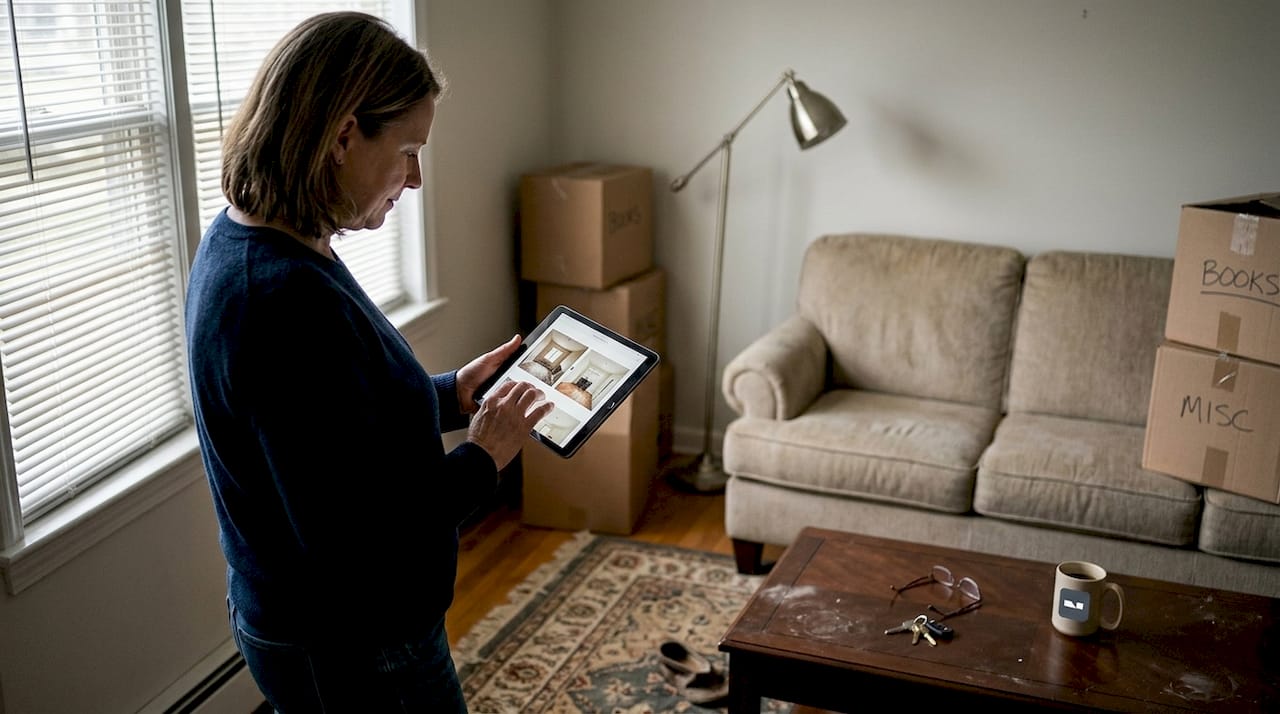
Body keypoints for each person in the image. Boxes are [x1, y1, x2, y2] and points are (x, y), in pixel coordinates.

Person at [184, 12, 552, 713]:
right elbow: (358, 542)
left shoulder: (270, 240)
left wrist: (451, 395)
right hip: (350, 644)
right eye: (409, 150)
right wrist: (484, 458)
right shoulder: (280, 299)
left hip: (323, 626)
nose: (414, 179)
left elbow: (335, 429)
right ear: (343, 136)